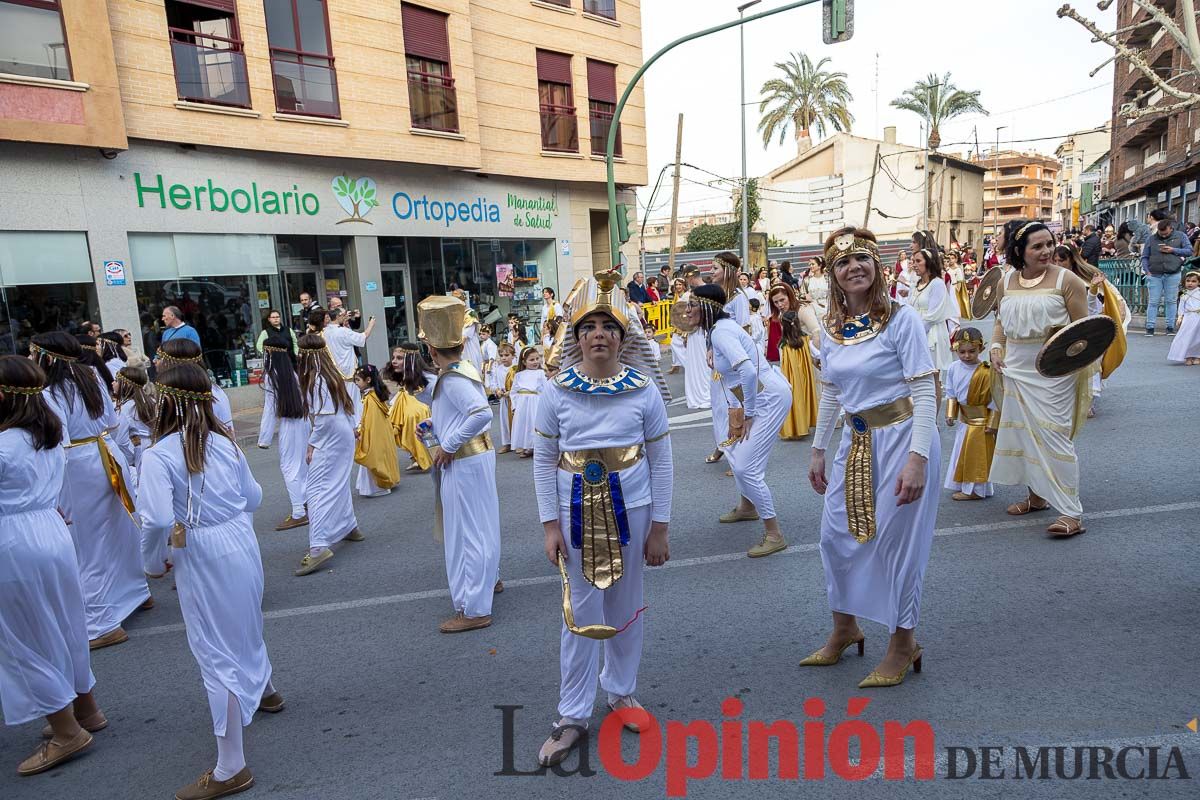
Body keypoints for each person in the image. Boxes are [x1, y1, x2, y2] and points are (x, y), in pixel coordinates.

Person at [532, 273, 673, 767]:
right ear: (576, 338)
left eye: (607, 327)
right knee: (580, 613)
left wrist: (661, 525)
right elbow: (543, 457)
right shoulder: (555, 392)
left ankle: (621, 691)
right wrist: (550, 524)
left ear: (621, 337)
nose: (598, 334)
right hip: (575, 512)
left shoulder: (643, 391)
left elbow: (662, 458)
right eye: (588, 326)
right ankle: (571, 714)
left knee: (627, 603)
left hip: (632, 508)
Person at [805, 226, 940, 688]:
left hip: (903, 439)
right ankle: (845, 628)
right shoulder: (832, 330)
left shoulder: (901, 320)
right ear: (834, 275)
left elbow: (924, 390)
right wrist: (819, 449)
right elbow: (831, 392)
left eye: (860, 258)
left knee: (897, 547)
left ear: (875, 266)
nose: (852, 267)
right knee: (834, 537)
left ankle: (904, 643)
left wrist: (918, 458)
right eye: (842, 263)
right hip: (856, 443)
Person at [138, 363, 281, 800]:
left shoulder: (159, 455)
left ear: (163, 402)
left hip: (200, 548)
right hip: (240, 538)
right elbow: (254, 497)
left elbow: (157, 518)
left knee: (215, 653)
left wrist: (150, 562)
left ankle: (231, 766)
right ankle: (267, 691)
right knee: (244, 622)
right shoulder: (223, 443)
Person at [0, 355, 106, 777]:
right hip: (50, 531)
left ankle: (66, 731)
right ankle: (86, 709)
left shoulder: (6, 444)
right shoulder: (44, 433)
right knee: (64, 624)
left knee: (24, 638)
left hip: (13, 539)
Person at [31, 332, 149, 650]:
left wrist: (48, 488)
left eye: (33, 353)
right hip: (106, 454)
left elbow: (61, 443)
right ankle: (137, 592)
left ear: (47, 357)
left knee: (85, 545)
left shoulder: (50, 390)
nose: (31, 359)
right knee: (118, 530)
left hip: (78, 466)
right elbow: (110, 423)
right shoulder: (92, 375)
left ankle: (101, 623)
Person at [989, 221, 1092, 537]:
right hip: (1015, 370)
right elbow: (1001, 323)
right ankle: (1036, 498)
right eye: (1037, 246)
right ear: (1020, 252)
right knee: (1024, 436)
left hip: (1054, 371)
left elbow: (1085, 331)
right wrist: (995, 346)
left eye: (1049, 243)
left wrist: (1066, 359)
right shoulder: (1006, 282)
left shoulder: (1067, 280)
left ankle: (1071, 513)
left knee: (1053, 435)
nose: (1046, 250)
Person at [684, 283, 792, 558]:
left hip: (769, 399)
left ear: (707, 307)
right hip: (757, 397)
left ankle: (774, 534)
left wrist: (750, 414)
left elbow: (747, 370)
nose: (687, 311)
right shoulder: (718, 331)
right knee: (733, 448)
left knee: (745, 466)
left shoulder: (721, 333)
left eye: (692, 305)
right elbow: (735, 375)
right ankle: (747, 507)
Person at [416, 295, 502, 633]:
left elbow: (481, 414)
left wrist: (448, 445)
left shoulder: (451, 378)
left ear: (433, 352)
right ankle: (488, 580)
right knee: (482, 523)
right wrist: (436, 429)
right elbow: (468, 413)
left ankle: (474, 608)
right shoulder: (461, 370)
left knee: (466, 533)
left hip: (465, 460)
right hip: (475, 457)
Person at [294, 335, 362, 576]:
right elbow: (346, 404)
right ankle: (348, 526)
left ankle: (318, 546)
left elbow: (323, 417)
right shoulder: (330, 372)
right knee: (338, 482)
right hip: (342, 431)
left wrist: (312, 444)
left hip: (331, 435)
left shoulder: (315, 378)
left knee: (317, 489)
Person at [1054, 242, 1129, 415]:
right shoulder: (1050, 280)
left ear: (1071, 260)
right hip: (1062, 329)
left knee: (1090, 363)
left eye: (1061, 261)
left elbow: (1093, 310)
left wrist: (1093, 289)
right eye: (1055, 261)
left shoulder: (1087, 280)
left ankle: (1088, 402)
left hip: (1087, 329)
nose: (1057, 265)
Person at [261, 332, 308, 530]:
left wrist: (264, 439)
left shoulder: (272, 376)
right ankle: (305, 502)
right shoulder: (292, 372)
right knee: (302, 466)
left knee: (289, 467)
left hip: (290, 424)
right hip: (304, 422)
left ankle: (298, 511)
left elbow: (270, 408)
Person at [942, 329, 997, 501]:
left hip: (981, 421)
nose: (966, 355)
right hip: (964, 420)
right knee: (962, 452)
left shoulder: (987, 371)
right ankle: (963, 484)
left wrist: (992, 424)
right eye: (962, 352)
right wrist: (951, 414)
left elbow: (996, 400)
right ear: (955, 350)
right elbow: (951, 393)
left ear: (980, 349)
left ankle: (975, 490)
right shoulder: (952, 368)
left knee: (977, 455)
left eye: (971, 351)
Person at [768, 283, 819, 440]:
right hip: (791, 358)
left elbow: (817, 332)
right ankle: (798, 424)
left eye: (782, 300)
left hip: (805, 357)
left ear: (790, 296)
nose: (780, 305)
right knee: (793, 390)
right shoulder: (783, 314)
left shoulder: (803, 310)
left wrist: (813, 355)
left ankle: (805, 423)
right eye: (775, 302)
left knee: (806, 390)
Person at [158, 339, 234, 433]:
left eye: (160, 358)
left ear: (174, 362)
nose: (155, 362)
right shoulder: (201, 389)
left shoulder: (201, 393)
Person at [353, 364, 400, 498]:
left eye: (358, 380)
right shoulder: (375, 395)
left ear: (368, 380)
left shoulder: (371, 399)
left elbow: (369, 420)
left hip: (374, 434)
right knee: (382, 455)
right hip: (382, 433)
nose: (356, 383)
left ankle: (377, 487)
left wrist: (360, 430)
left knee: (373, 455)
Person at [909, 248, 958, 377]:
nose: (914, 265)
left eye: (918, 261)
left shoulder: (937, 284)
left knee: (932, 376)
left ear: (929, 262)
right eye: (913, 261)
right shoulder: (914, 285)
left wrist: (916, 331)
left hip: (932, 333)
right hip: (917, 331)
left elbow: (933, 315)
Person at [386, 344, 434, 472]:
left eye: (399, 358)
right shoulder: (406, 377)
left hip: (432, 417)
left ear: (411, 360)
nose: (394, 361)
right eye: (394, 357)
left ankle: (423, 457)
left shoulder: (430, 380)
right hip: (419, 414)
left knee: (410, 416)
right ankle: (416, 457)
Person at [1141, 218, 1193, 336]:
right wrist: (1147, 271)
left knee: (1171, 301)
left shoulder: (1181, 236)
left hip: (1173, 273)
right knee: (1153, 301)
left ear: (1171, 228)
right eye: (1160, 233)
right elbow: (1145, 256)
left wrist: (1173, 250)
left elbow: (1189, 251)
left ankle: (1170, 327)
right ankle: (1150, 327)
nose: (1163, 235)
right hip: (1154, 274)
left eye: (1165, 233)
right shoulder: (1151, 239)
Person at [323, 307, 376, 417]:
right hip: (348, 370)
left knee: (340, 400)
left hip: (333, 371)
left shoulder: (325, 331)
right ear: (337, 316)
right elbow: (363, 337)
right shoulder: (343, 332)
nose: (345, 316)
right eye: (343, 314)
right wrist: (371, 323)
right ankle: (356, 424)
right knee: (353, 399)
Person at [112, 364, 155, 477]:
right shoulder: (151, 401)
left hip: (139, 455)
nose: (113, 383)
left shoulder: (126, 409)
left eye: (116, 380)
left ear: (125, 384)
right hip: (154, 448)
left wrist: (128, 460)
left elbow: (121, 442)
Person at [510, 346, 547, 458]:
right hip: (522, 404)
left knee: (534, 424)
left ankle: (536, 446)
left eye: (537, 358)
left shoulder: (541, 373)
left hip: (535, 402)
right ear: (524, 362)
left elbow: (545, 389)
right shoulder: (519, 375)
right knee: (524, 424)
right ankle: (527, 446)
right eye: (532, 360)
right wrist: (514, 406)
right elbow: (513, 392)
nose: (536, 362)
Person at [486, 343, 517, 453]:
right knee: (504, 421)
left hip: (514, 399)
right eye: (502, 355)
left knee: (516, 420)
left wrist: (511, 392)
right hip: (504, 399)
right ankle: (507, 443)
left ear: (513, 356)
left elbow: (519, 383)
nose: (504, 358)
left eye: (507, 355)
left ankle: (518, 443)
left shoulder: (516, 368)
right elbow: (493, 383)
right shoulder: (498, 369)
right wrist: (497, 390)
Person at [1168, 271, 1200, 364]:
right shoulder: (1183, 294)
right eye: (1188, 281)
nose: (1190, 283)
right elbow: (1181, 307)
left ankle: (1197, 356)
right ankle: (1188, 356)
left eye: (1194, 281)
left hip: (1198, 318)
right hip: (1188, 318)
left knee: (1197, 337)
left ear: (1199, 282)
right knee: (1186, 336)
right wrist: (1180, 317)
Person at [667, 277, 688, 374]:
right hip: (678, 323)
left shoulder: (687, 295)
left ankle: (687, 365)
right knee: (674, 343)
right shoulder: (677, 295)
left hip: (685, 324)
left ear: (684, 286)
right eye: (677, 285)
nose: (678, 286)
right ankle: (676, 365)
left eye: (680, 284)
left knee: (680, 345)